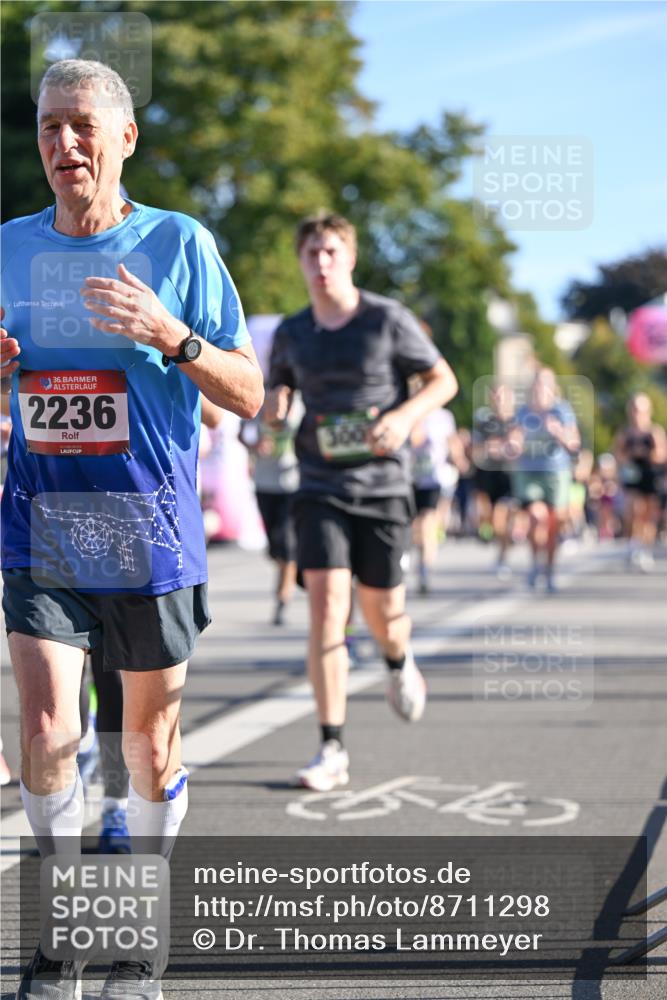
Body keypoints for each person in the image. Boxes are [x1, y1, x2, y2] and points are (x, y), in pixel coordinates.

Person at [0, 59, 263, 1000]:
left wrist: (172, 335)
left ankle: (140, 936)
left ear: (124, 139)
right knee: (44, 727)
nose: (62, 145)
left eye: (79, 126)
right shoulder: (8, 248)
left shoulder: (179, 244)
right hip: (42, 526)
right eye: (46, 128)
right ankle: (62, 935)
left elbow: (249, 392)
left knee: (148, 748)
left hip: (149, 531)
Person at [266, 211, 457, 791]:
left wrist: (402, 417)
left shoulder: (386, 319)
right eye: (311, 255)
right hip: (320, 485)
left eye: (331, 252)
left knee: (382, 613)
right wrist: (274, 407)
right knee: (327, 604)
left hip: (382, 486)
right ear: (300, 262)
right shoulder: (294, 332)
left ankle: (398, 662)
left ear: (349, 258)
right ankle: (331, 747)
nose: (321, 264)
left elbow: (442, 380)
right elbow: (280, 389)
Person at [509, 368, 581, 592]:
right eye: (537, 384)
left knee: (553, 524)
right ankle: (534, 562)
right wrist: (513, 445)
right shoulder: (523, 412)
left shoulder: (562, 411)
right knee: (534, 515)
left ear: (553, 388)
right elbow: (514, 437)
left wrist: (559, 432)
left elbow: (574, 443)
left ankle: (549, 570)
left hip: (555, 472)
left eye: (545, 384)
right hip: (529, 471)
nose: (540, 388)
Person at [240, 394, 301, 625]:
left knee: (286, 544)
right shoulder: (259, 397)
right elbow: (243, 431)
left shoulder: (301, 401)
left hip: (292, 483)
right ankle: (289, 568)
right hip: (264, 483)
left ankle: (282, 600)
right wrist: (254, 445)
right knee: (274, 548)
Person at [614, 392, 667, 571]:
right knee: (634, 509)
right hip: (633, 476)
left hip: (651, 475)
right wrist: (629, 457)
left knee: (649, 515)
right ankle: (633, 544)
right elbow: (618, 455)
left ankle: (645, 548)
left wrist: (646, 454)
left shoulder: (654, 432)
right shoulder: (625, 433)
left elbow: (661, 455)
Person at [410, 404, 458, 595]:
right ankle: (420, 557)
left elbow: (451, 441)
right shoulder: (410, 411)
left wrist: (458, 458)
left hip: (433, 479)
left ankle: (424, 569)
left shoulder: (444, 416)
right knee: (415, 527)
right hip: (411, 478)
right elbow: (414, 439)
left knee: (426, 523)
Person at [472, 383, 517, 579]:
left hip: (510, 477)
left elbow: (516, 448)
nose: (499, 402)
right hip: (488, 477)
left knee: (501, 519)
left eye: (502, 397)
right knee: (490, 520)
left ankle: (503, 558)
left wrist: (499, 447)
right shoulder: (485, 423)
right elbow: (477, 449)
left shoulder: (517, 421)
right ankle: (502, 551)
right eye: (495, 398)